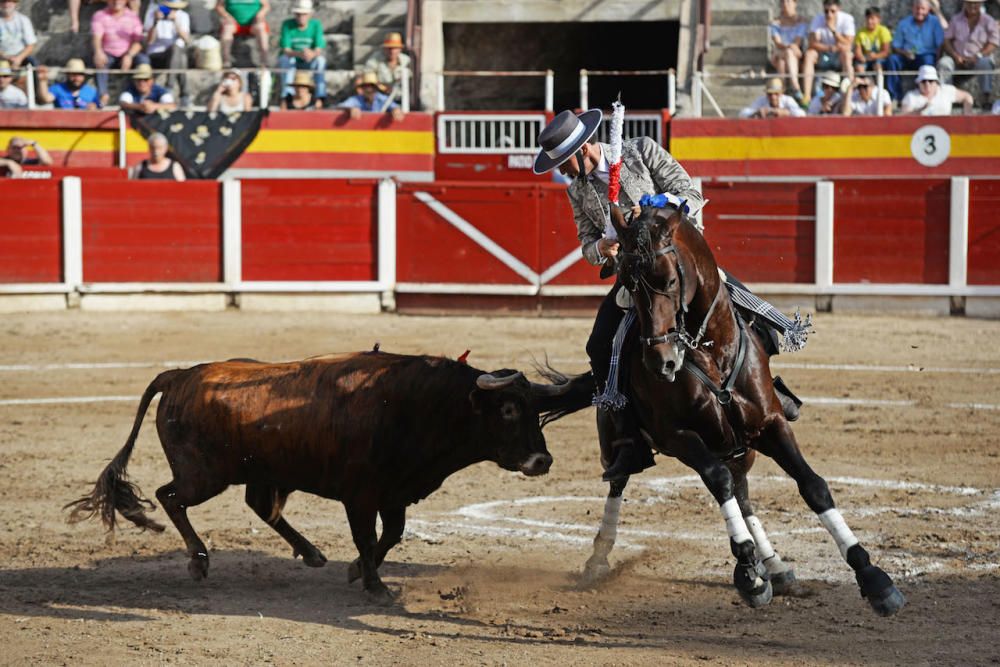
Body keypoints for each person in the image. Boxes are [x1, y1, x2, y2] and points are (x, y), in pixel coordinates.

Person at [531, 110, 705, 482]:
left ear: (584, 150)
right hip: (635, 279)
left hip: (677, 260)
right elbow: (585, 243)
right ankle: (628, 439)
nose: (562, 171)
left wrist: (655, 206)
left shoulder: (641, 151)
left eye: (564, 163)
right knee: (598, 346)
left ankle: (773, 387)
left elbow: (692, 194)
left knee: (738, 304)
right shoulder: (577, 190)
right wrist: (603, 247)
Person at [938, 0, 999, 109]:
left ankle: (985, 98)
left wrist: (979, 55)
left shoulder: (988, 20)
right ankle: (946, 99)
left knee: (986, 63)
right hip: (958, 58)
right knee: (944, 63)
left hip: (978, 58)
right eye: (969, 3)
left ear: (980, 4)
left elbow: (994, 42)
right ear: (964, 4)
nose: (972, 6)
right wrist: (955, 55)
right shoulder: (955, 19)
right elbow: (946, 40)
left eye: (975, 3)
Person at [886, 0, 945, 101]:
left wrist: (937, 59)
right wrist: (905, 53)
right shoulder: (904, 23)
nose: (919, 11)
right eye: (917, 8)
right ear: (912, 8)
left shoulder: (935, 22)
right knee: (892, 59)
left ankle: (925, 95)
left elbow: (940, 44)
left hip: (926, 55)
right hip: (907, 56)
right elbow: (895, 46)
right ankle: (894, 97)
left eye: (923, 9)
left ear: (928, 9)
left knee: (928, 61)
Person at [802, 0, 855, 106]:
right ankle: (806, 95)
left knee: (847, 55)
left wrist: (833, 31)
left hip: (839, 55)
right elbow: (812, 43)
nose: (829, 15)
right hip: (824, 53)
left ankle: (850, 93)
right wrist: (830, 47)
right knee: (809, 54)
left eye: (832, 11)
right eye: (826, 11)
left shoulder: (847, 19)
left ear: (838, 9)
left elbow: (848, 44)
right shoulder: (818, 19)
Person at [91, 0, 144, 106]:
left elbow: (138, 42)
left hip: (128, 53)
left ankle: (141, 95)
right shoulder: (99, 15)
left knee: (143, 61)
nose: (116, 1)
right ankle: (103, 95)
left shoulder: (133, 16)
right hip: (108, 53)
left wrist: (129, 55)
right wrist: (98, 52)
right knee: (100, 62)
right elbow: (96, 38)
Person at [143, 0, 191, 107]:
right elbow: (149, 41)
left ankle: (169, 86)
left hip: (175, 54)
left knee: (178, 53)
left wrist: (175, 22)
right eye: (168, 8)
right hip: (156, 55)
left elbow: (186, 39)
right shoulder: (152, 13)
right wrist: (155, 22)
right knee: (181, 59)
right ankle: (183, 94)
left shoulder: (182, 16)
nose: (170, 10)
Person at [279, 0, 326, 104]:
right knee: (285, 60)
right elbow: (286, 50)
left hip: (310, 60)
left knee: (320, 61)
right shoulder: (287, 25)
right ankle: (287, 96)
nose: (301, 17)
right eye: (298, 14)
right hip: (294, 59)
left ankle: (320, 96)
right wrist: (300, 54)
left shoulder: (316, 25)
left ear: (310, 14)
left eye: (304, 14)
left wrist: (311, 54)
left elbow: (319, 48)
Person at [769, 0, 808, 104]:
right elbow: (778, 43)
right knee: (787, 53)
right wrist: (789, 46)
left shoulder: (801, 22)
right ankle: (796, 87)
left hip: (792, 56)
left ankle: (782, 90)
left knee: (784, 60)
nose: (785, 5)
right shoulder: (775, 23)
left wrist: (790, 47)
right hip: (781, 52)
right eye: (782, 2)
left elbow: (798, 42)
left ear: (795, 3)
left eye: (788, 1)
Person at [901, 63, 974, 114]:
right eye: (923, 81)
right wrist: (920, 110)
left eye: (930, 81)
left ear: (936, 82)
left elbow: (967, 97)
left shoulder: (946, 90)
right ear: (918, 83)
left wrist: (967, 114)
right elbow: (903, 117)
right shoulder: (911, 96)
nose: (927, 84)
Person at [217, 0, 270, 68]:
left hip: (253, 23)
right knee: (227, 29)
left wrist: (260, 14)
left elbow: (266, 6)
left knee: (261, 28)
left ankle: (264, 61)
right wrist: (227, 16)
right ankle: (226, 61)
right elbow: (219, 6)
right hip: (233, 23)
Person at [363, 31, 411, 104]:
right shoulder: (375, 59)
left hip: (403, 98)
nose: (392, 51)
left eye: (395, 48)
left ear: (400, 49)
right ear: (384, 49)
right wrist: (383, 88)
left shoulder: (407, 61)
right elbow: (369, 78)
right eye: (389, 48)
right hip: (381, 98)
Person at [338, 70, 403, 120]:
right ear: (362, 88)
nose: (369, 89)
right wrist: (351, 109)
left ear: (376, 88)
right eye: (366, 86)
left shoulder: (382, 98)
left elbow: (395, 107)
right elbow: (340, 107)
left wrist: (395, 110)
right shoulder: (356, 99)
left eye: (372, 86)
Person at [739, 77, 806, 118]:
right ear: (766, 93)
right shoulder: (761, 100)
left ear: (781, 93)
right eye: (770, 94)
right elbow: (742, 114)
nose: (773, 97)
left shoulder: (788, 100)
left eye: (776, 94)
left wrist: (787, 113)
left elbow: (802, 114)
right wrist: (756, 112)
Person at [0, 0, 36, 70]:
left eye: (9, 1)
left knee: (34, 69)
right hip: (2, 58)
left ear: (15, 3)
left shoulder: (24, 20)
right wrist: (6, 58)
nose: (6, 4)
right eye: (4, 1)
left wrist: (18, 59)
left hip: (22, 58)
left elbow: (31, 45)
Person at [854, 6, 892, 73]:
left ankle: (879, 83)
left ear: (878, 19)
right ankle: (864, 82)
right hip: (866, 58)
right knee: (859, 67)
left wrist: (875, 56)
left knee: (878, 65)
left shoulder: (883, 31)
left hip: (880, 58)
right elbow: (857, 50)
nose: (869, 21)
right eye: (867, 18)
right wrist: (861, 57)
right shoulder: (860, 32)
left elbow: (886, 51)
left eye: (872, 18)